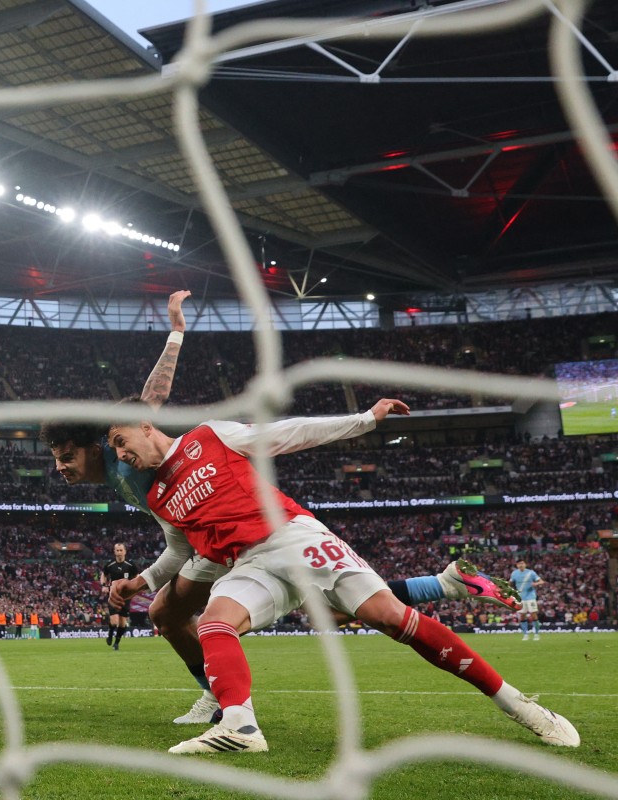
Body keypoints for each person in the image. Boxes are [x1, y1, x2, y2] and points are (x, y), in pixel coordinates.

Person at [41, 291, 519, 726]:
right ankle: (442, 584)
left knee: (187, 612)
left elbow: (153, 400)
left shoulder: (124, 448)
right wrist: (142, 581)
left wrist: (176, 332)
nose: (61, 468)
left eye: (65, 456)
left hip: (237, 528)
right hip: (206, 540)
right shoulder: (134, 476)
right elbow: (174, 538)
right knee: (191, 612)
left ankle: (219, 701)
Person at [105, 400, 579, 753]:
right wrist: (141, 583)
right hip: (247, 566)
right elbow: (178, 552)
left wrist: (365, 420)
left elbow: (290, 432)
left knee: (391, 619)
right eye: (114, 450)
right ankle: (240, 727)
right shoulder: (158, 498)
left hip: (293, 536)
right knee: (213, 622)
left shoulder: (208, 437)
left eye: (122, 441)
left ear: (147, 428)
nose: (121, 454)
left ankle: (522, 706)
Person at [99, 544, 137, 650]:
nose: (119, 552)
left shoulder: (130, 565)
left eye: (121, 550)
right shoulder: (110, 565)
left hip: (126, 597)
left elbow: (136, 577)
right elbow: (104, 575)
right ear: (114, 552)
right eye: (117, 550)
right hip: (114, 595)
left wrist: (135, 587)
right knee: (114, 621)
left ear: (125, 551)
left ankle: (117, 643)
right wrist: (104, 586)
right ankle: (110, 634)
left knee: (122, 623)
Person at [510, 559, 545, 641]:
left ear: (525, 564)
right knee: (522, 615)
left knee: (533, 614)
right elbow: (510, 583)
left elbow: (541, 581)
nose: (521, 565)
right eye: (519, 564)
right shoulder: (514, 573)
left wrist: (536, 583)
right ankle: (525, 634)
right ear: (516, 565)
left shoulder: (531, 572)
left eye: (522, 563)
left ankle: (536, 634)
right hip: (521, 597)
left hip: (530, 597)